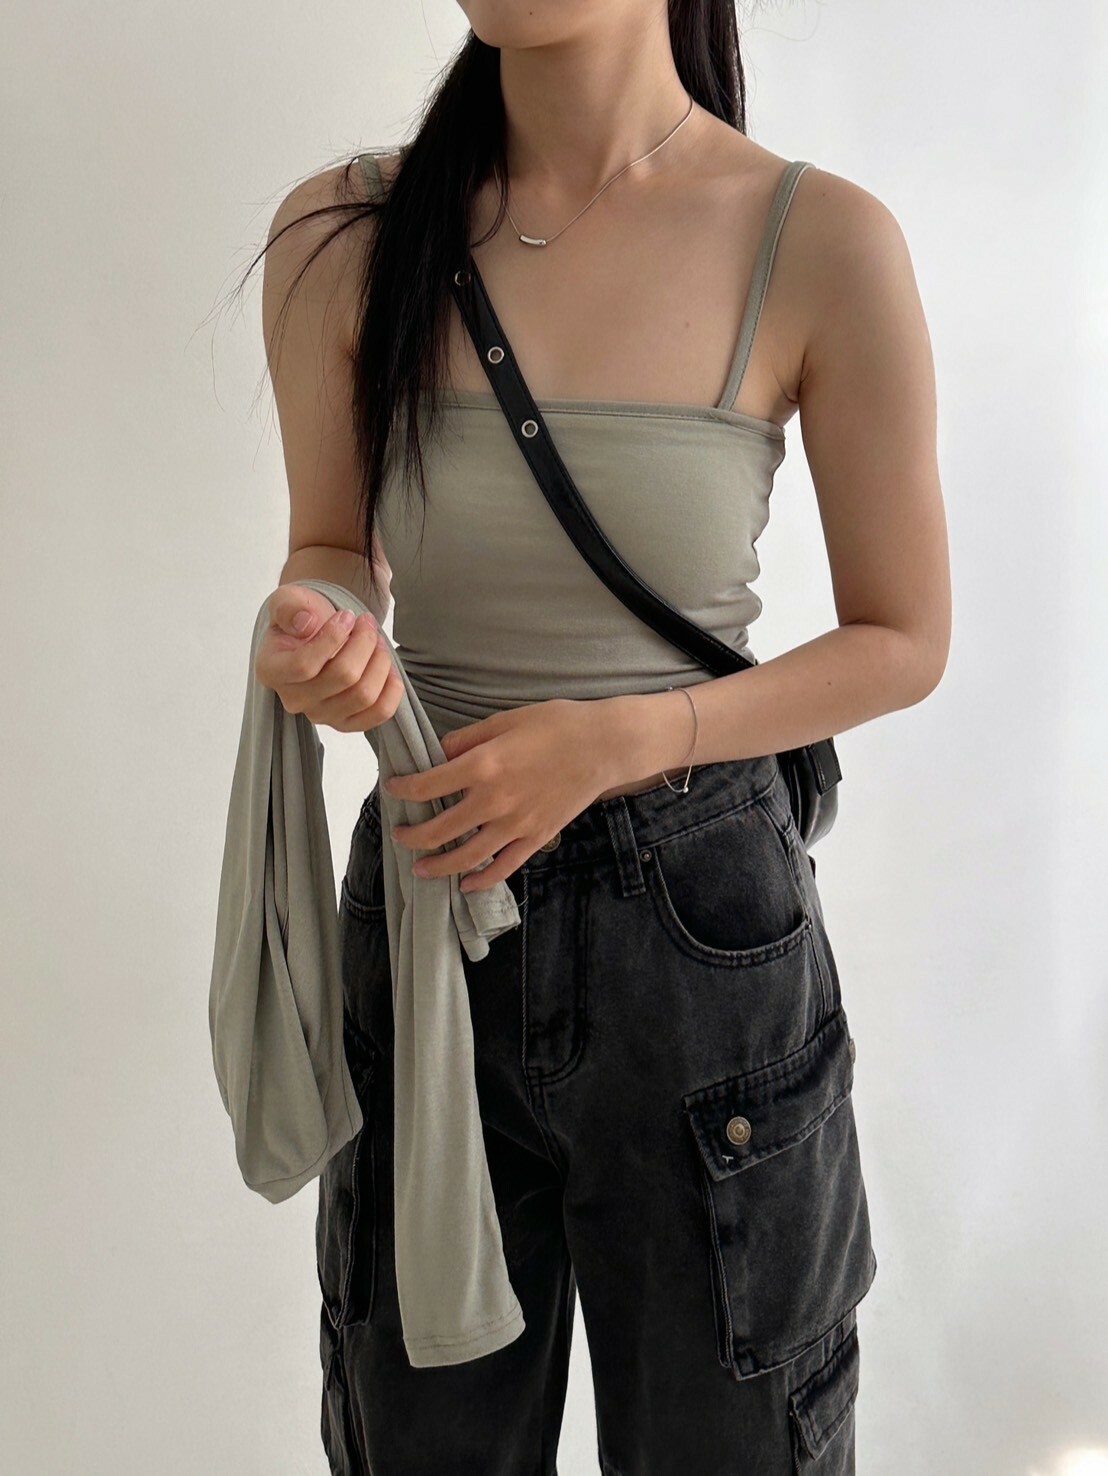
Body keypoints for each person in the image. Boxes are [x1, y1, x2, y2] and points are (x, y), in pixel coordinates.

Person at [245, 3, 950, 1471]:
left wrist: (621, 742)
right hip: (428, 901)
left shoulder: (818, 241)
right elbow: (331, 548)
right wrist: (321, 633)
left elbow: (903, 639)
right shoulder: (345, 232)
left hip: (698, 931)